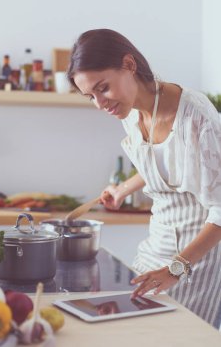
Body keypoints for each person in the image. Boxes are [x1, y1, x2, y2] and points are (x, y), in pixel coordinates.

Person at [66, 28, 221, 328]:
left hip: (199, 257)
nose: (100, 104)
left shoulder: (196, 116)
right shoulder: (131, 115)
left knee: (178, 336)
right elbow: (165, 159)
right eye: (90, 97)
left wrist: (176, 268)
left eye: (103, 88)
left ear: (129, 64)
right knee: (131, 330)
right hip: (156, 245)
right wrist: (123, 189)